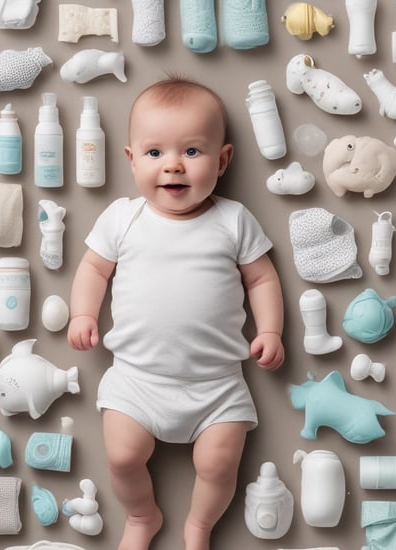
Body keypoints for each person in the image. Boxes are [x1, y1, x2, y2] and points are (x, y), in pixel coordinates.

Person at [67, 76, 286, 550]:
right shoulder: (123, 218)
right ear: (130, 159)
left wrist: (270, 329)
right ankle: (142, 516)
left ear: (222, 160)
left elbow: (262, 279)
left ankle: (199, 526)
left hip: (216, 387)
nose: (173, 167)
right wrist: (82, 313)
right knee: (122, 457)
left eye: (191, 152)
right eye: (154, 154)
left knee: (219, 464)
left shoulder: (233, 220)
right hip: (136, 382)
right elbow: (92, 269)